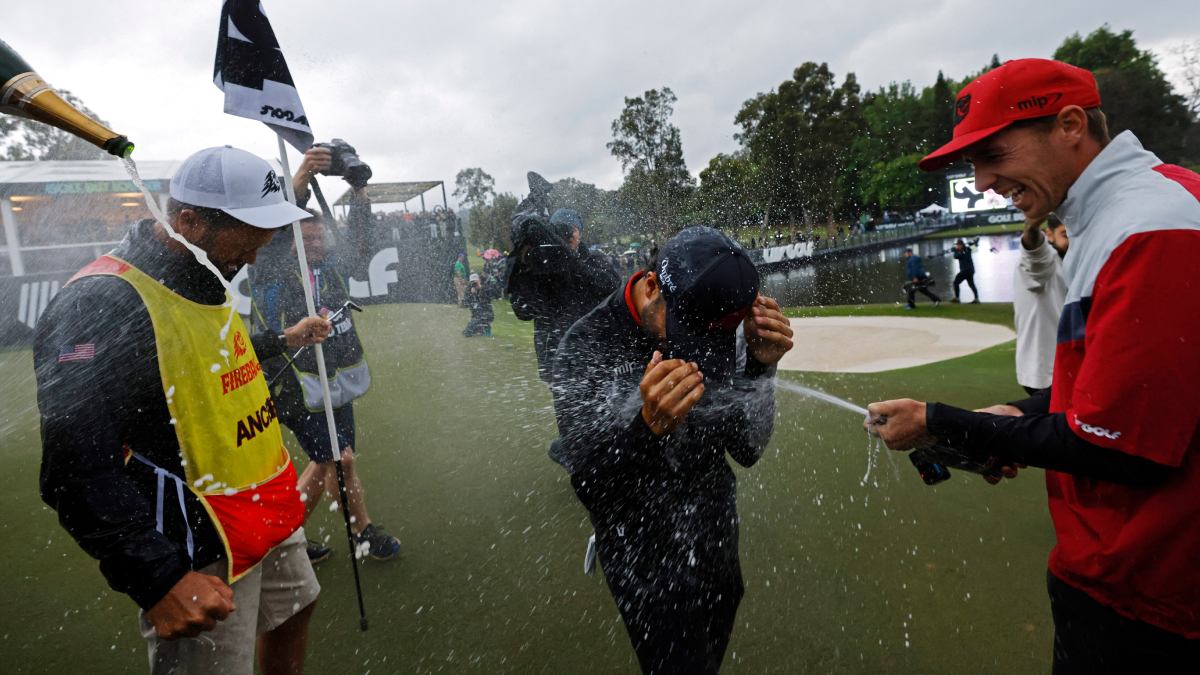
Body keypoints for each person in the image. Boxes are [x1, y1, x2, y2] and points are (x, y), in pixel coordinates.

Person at [868, 58, 1200, 671]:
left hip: (1150, 597)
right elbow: (1105, 394)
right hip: (1131, 578)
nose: (983, 179)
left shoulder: (1149, 227)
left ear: (1071, 124)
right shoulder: (1127, 212)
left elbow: (1121, 446)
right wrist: (1002, 417)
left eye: (993, 153)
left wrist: (941, 419)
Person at [35, 146, 333, 674]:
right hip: (198, 538)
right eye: (247, 237)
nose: (257, 255)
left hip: (263, 507)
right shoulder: (99, 303)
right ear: (189, 221)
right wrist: (158, 578)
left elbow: (203, 360)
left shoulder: (206, 271)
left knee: (296, 610)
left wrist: (281, 340)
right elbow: (74, 466)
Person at [549, 226, 794, 674]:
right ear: (649, 285)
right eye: (685, 333)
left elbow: (747, 449)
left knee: (712, 645)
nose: (698, 354)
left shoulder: (725, 328)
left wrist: (760, 369)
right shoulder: (585, 345)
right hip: (638, 545)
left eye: (711, 342)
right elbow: (591, 487)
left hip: (714, 523)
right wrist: (647, 429)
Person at [263, 210, 402, 563]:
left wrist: (359, 194)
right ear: (290, 242)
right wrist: (305, 174)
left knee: (336, 461)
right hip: (298, 386)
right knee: (335, 458)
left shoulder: (332, 267)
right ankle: (297, 539)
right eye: (305, 239)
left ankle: (315, 536)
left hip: (333, 380)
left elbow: (359, 246)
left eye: (318, 238)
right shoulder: (275, 270)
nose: (314, 245)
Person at [507, 193, 620, 382]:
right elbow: (523, 312)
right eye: (560, 231)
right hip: (555, 362)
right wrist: (523, 264)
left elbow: (612, 286)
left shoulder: (594, 259)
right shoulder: (541, 268)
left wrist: (569, 258)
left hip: (595, 356)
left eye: (570, 230)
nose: (566, 236)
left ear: (579, 233)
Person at [1013, 214, 1068, 395]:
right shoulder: (1046, 260)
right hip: (1045, 371)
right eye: (1065, 235)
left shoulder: (1069, 261)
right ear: (1049, 234)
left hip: (1061, 366)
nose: (1072, 240)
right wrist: (1031, 228)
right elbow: (1035, 256)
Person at [462, 272, 494, 337]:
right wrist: (473, 294)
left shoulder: (485, 288)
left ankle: (486, 328)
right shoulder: (468, 290)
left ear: (479, 280)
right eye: (472, 282)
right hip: (476, 314)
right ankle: (480, 329)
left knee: (483, 318)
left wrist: (481, 289)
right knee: (467, 332)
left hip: (486, 314)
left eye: (475, 282)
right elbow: (466, 303)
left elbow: (487, 300)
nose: (474, 284)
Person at [950, 238, 979, 303]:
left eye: (958, 245)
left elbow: (956, 256)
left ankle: (957, 298)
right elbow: (975, 248)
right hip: (970, 270)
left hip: (965, 271)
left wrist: (975, 243)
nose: (957, 246)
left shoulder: (965, 250)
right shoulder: (968, 249)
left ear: (961, 245)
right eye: (957, 245)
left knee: (956, 283)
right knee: (971, 284)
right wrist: (974, 244)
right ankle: (976, 299)